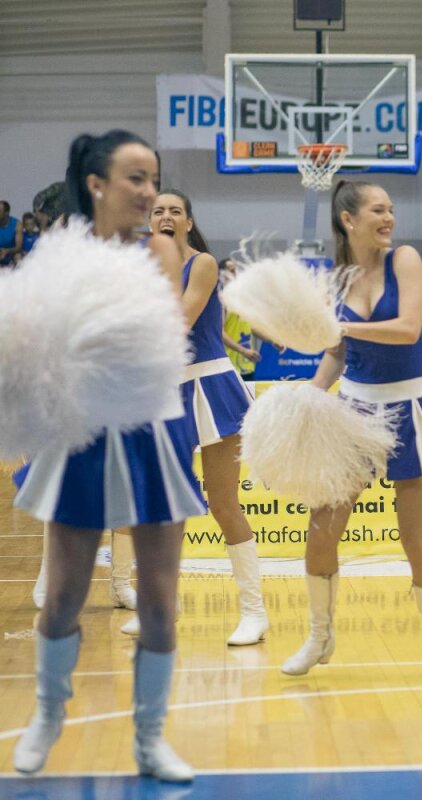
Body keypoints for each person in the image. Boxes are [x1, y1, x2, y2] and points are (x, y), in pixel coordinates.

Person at [12, 130, 204, 782]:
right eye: (136, 179)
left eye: (154, 179)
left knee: (159, 599)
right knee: (63, 595)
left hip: (155, 427)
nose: (150, 193)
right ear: (97, 184)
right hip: (82, 430)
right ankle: (47, 715)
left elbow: (163, 337)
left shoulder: (161, 250)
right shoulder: (58, 254)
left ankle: (150, 738)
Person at [283, 180, 422, 682]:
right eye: (378, 210)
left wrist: (343, 329)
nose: (389, 218)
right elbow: (336, 355)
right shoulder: (335, 280)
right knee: (320, 532)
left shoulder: (405, 259)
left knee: (416, 542)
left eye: (391, 209)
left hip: (411, 407)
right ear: (348, 219)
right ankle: (319, 636)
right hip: (354, 411)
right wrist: (311, 396)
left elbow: (408, 329)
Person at [147, 190, 267, 646]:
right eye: (158, 210)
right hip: (167, 390)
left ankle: (254, 612)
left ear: (189, 220)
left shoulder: (202, 264)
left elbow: (178, 319)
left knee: (223, 503)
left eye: (175, 210)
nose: (166, 216)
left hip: (211, 388)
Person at [218, 258, 263, 379]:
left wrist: (273, 341)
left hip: (246, 365)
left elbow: (250, 326)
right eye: (232, 270)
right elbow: (219, 333)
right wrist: (243, 350)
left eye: (237, 270)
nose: (236, 273)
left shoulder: (243, 300)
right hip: (228, 367)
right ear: (222, 275)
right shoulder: (220, 300)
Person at [0, 200, 19, 266]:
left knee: (18, 257)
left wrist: (6, 251)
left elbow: (18, 247)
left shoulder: (17, 224)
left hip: (11, 254)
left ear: (6, 213)